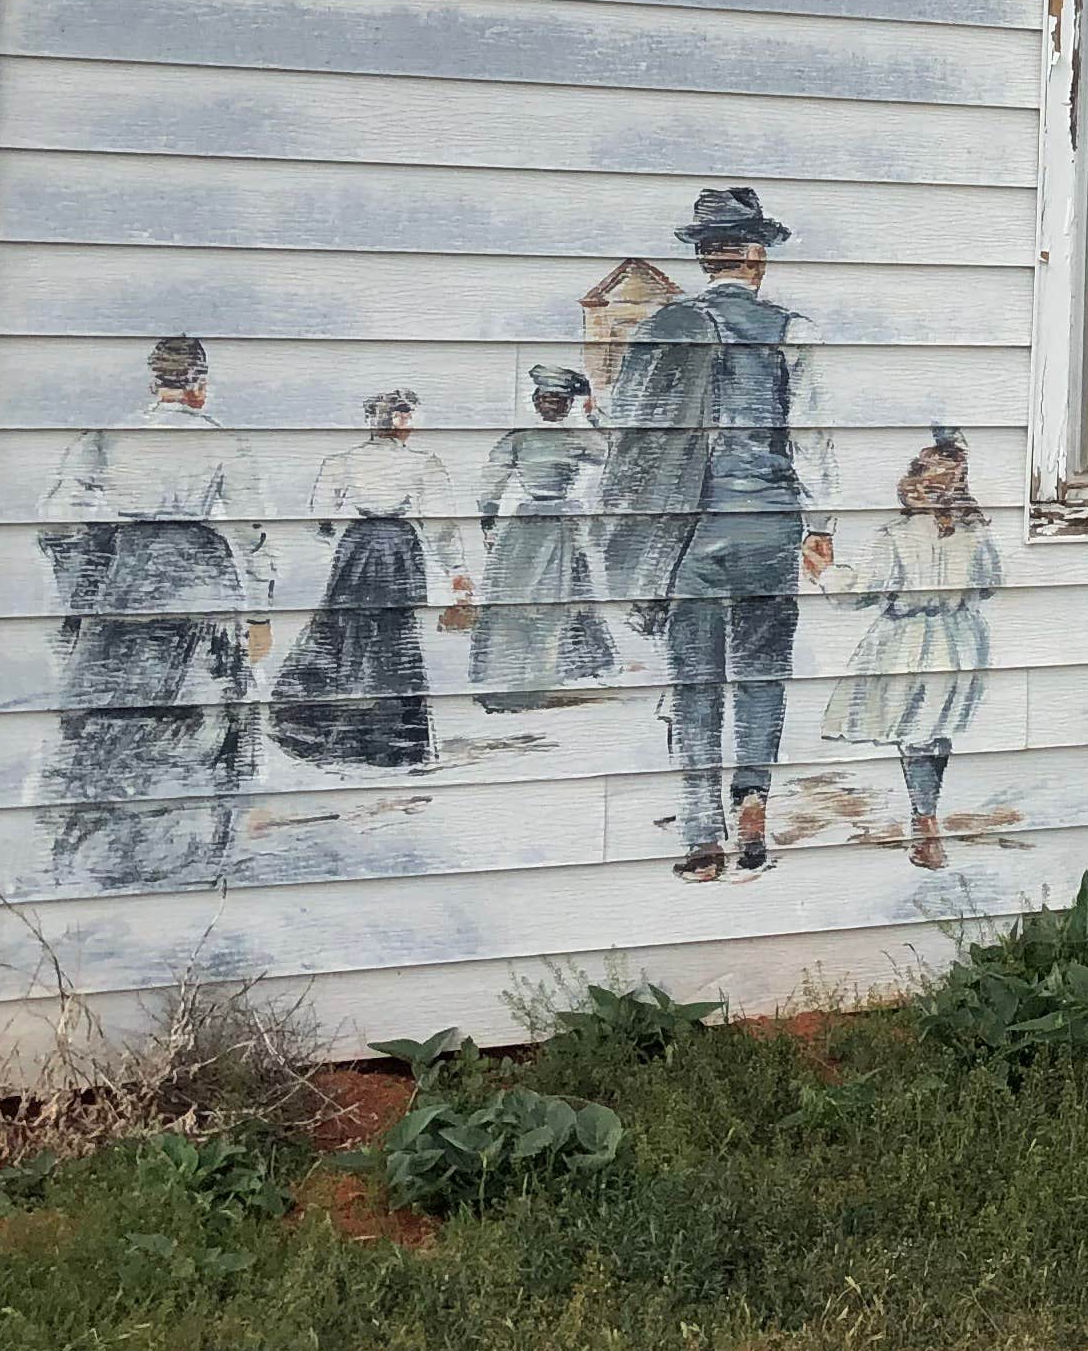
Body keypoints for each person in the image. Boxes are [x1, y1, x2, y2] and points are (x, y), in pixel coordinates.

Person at [603, 187, 843, 881]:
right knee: (763, 670)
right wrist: (821, 525)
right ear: (757, 256)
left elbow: (631, 434)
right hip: (769, 523)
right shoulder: (792, 329)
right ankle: (754, 802)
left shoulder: (658, 329)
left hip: (691, 530)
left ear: (705, 256)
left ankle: (703, 833)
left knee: (696, 680)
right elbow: (814, 437)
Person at [34, 335, 273, 890]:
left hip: (131, 577)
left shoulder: (108, 438)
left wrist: (87, 565)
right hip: (202, 583)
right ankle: (190, 849)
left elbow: (56, 517)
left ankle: (102, 840)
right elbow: (251, 532)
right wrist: (258, 612)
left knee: (118, 710)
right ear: (197, 386)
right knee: (201, 718)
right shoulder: (226, 444)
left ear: (154, 382)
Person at [825, 425, 1003, 869]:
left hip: (909, 641)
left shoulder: (896, 536)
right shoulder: (976, 535)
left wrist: (824, 572)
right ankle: (926, 818)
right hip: (960, 641)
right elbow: (990, 585)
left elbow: (858, 591)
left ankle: (925, 822)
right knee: (932, 732)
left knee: (915, 736)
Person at [271, 389, 452, 772]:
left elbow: (320, 518)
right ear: (403, 419)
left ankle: (335, 734)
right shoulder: (424, 464)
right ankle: (392, 743)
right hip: (399, 549)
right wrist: (457, 571)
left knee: (344, 633)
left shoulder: (343, 462)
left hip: (358, 547)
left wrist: (332, 533)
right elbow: (442, 528)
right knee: (394, 639)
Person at [470, 363, 618, 710]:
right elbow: (491, 483)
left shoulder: (569, 438)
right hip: (530, 528)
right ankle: (514, 678)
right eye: (548, 399)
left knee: (557, 601)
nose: (552, 405)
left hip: (558, 527)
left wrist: (594, 414)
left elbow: (613, 451)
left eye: (559, 400)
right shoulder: (521, 439)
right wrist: (488, 520)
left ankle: (547, 676)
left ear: (567, 404)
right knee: (518, 602)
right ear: (537, 401)